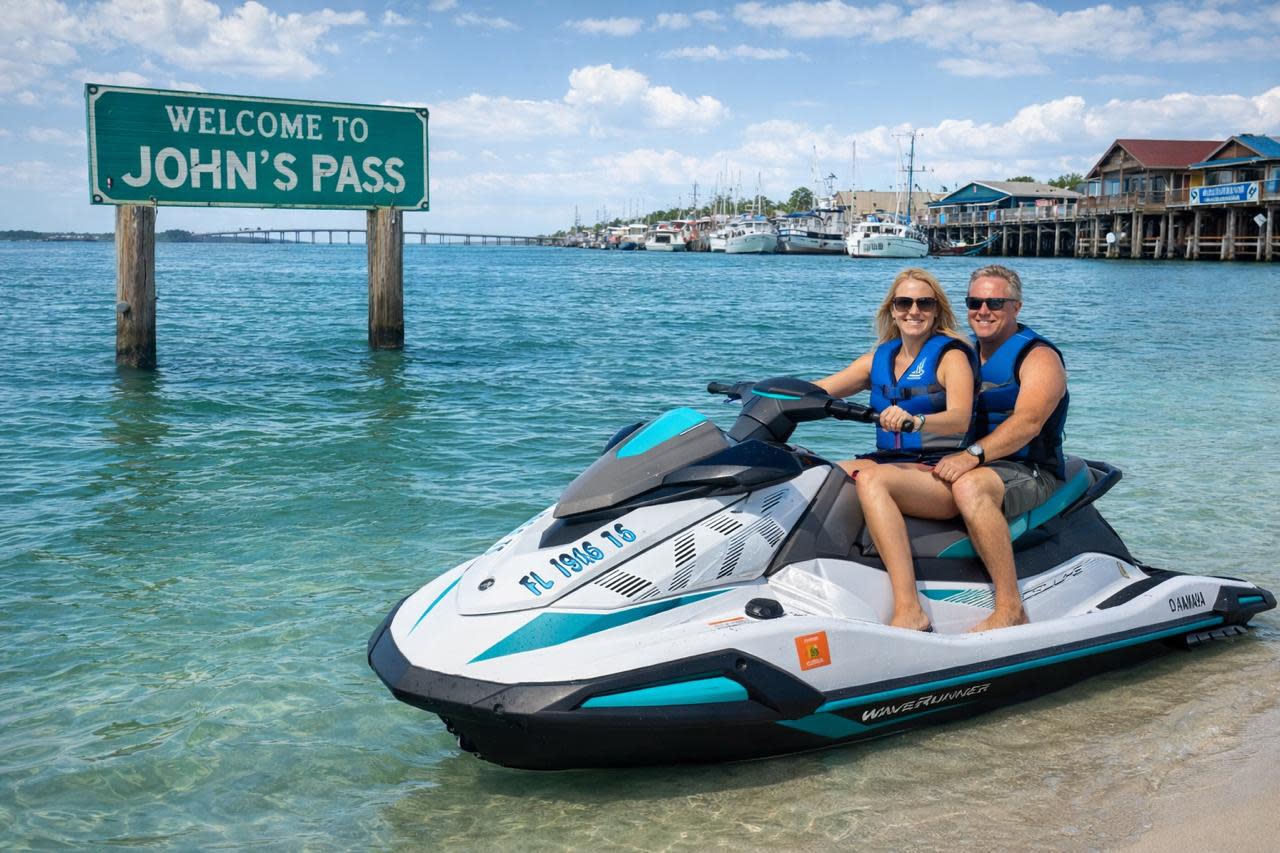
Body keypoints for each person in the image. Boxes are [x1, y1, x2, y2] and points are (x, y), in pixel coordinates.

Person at [816, 268, 978, 632]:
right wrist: (763, 392)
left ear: (937, 310)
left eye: (924, 303)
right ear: (892, 310)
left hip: (941, 472)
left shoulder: (951, 356)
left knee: (871, 480)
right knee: (818, 474)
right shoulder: (880, 358)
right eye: (904, 302)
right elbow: (821, 389)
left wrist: (915, 422)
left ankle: (910, 608)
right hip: (892, 463)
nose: (913, 311)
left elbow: (959, 419)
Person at [931, 264, 1069, 632]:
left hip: (1032, 470)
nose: (983, 310)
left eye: (994, 301)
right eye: (975, 301)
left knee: (969, 487)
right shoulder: (962, 353)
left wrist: (970, 456)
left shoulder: (1039, 356)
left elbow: (1028, 423)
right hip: (977, 464)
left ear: (1016, 307)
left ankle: (1010, 607)